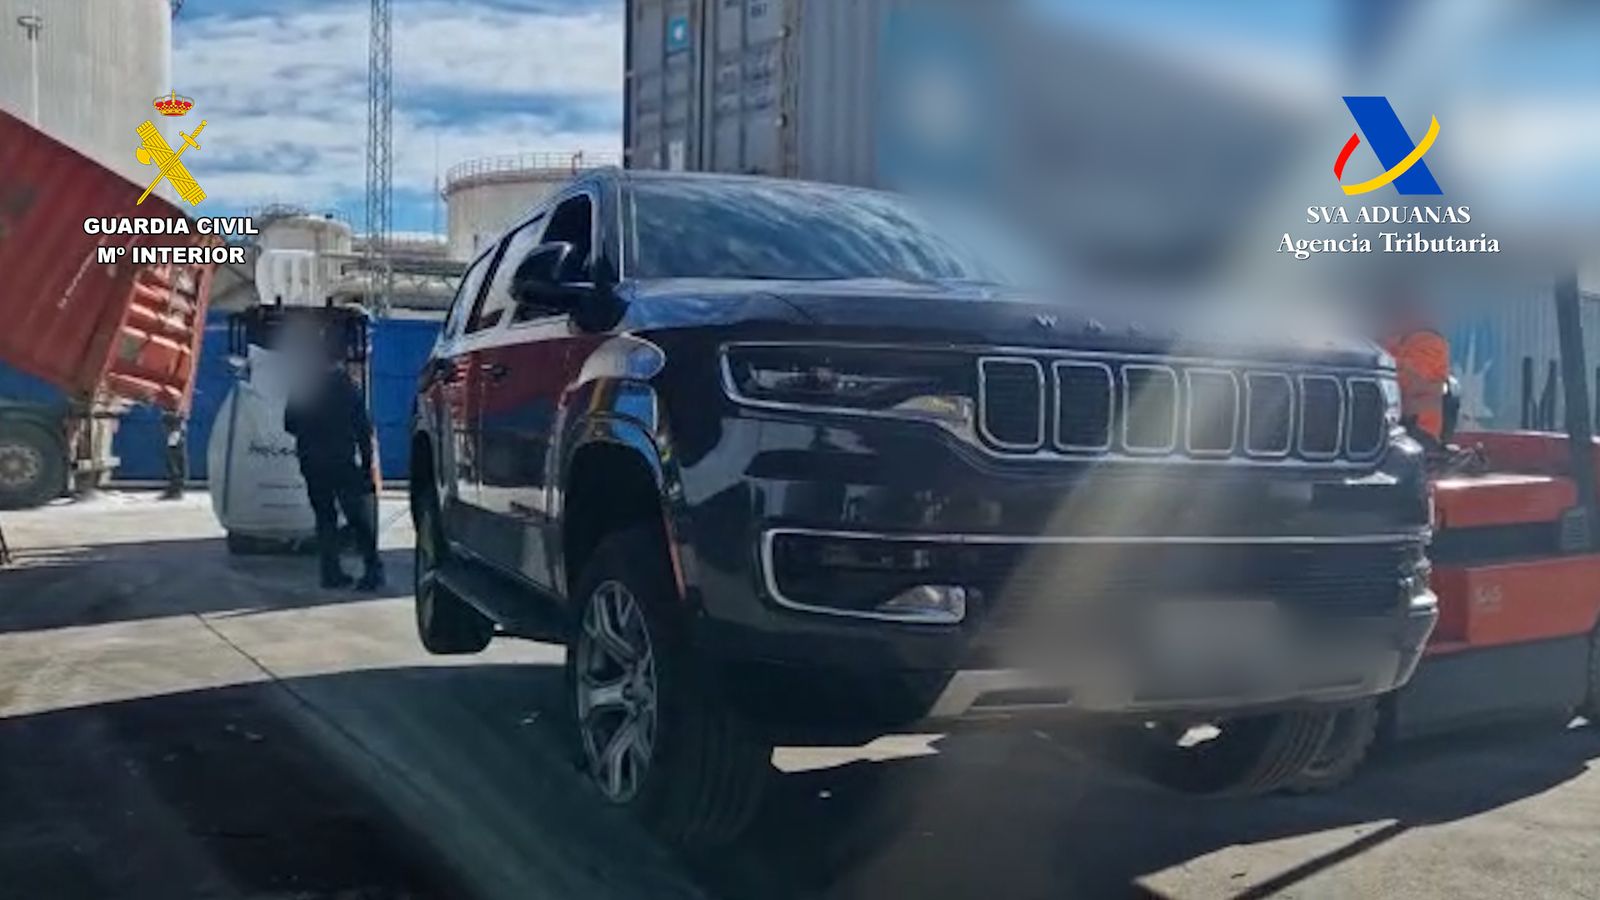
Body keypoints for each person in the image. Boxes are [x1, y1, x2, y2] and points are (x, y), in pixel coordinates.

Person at [283, 351, 384, 590]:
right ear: (338, 363)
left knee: (325, 518)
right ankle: (372, 570)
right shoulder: (348, 389)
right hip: (342, 461)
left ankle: (330, 573)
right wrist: (368, 465)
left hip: (312, 462)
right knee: (357, 518)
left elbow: (289, 424)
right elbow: (363, 430)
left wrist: (310, 432)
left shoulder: (303, 389)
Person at [160, 410, 187, 500]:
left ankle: (176, 490)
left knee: (174, 463)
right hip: (176, 433)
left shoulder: (175, 432)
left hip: (175, 435)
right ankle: (175, 489)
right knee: (175, 462)